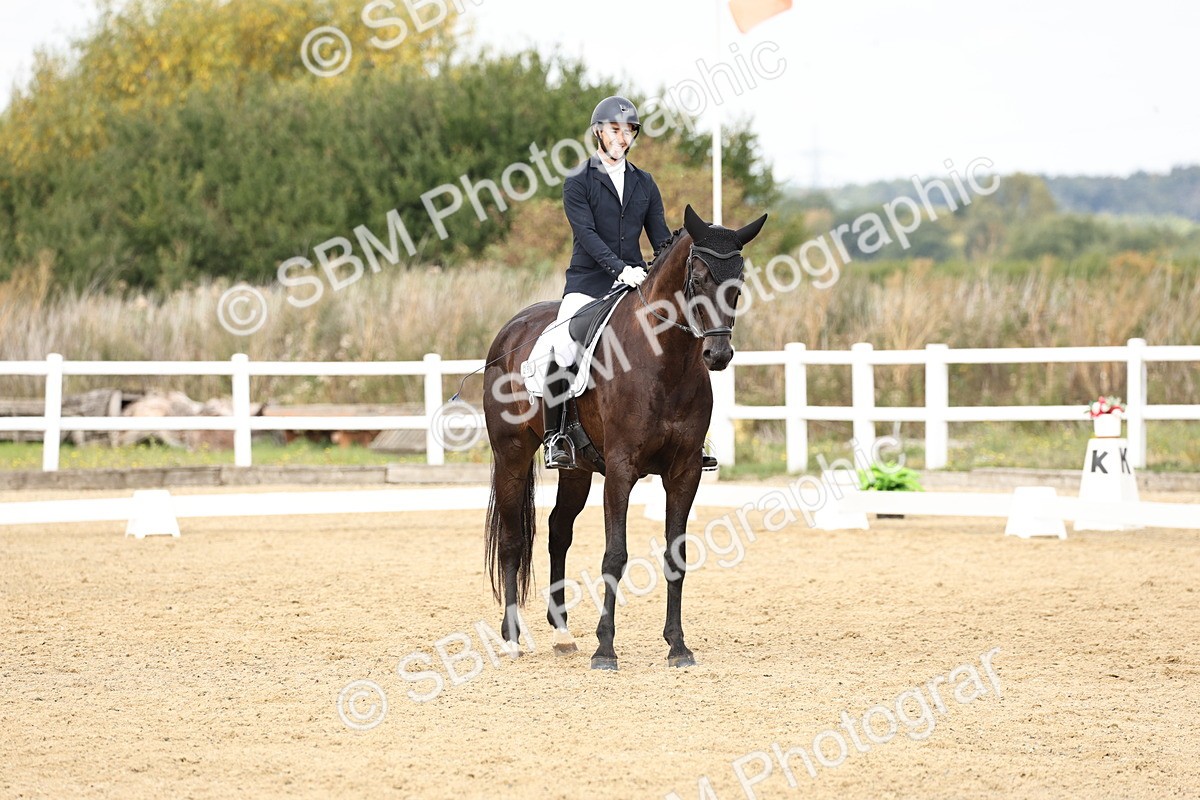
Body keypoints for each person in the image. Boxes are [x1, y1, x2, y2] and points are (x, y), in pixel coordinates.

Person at [541, 95, 717, 472]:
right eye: (615, 130)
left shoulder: (644, 183)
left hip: (635, 284)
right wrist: (619, 267)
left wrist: (667, 271)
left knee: (683, 339)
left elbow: (660, 240)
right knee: (562, 344)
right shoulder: (579, 181)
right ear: (598, 133)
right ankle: (556, 436)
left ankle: (692, 438)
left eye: (629, 131)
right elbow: (585, 234)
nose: (622, 138)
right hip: (588, 283)